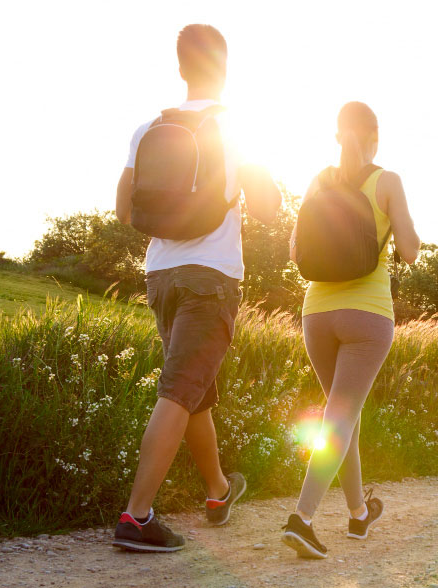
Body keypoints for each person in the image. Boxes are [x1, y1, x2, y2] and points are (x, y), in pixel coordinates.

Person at [111, 24, 281, 552]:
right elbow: (271, 210)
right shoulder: (236, 131)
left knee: (194, 393)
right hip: (212, 276)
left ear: (182, 69)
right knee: (180, 392)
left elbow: (124, 210)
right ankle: (137, 518)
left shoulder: (147, 129)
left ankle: (218, 490)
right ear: (225, 71)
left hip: (160, 274)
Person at [282, 101, 420, 558]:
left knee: (344, 417)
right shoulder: (388, 181)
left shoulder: (319, 180)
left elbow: (296, 249)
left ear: (339, 136)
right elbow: (411, 251)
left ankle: (359, 514)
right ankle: (301, 519)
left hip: (316, 313)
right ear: (375, 137)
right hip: (367, 314)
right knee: (339, 419)